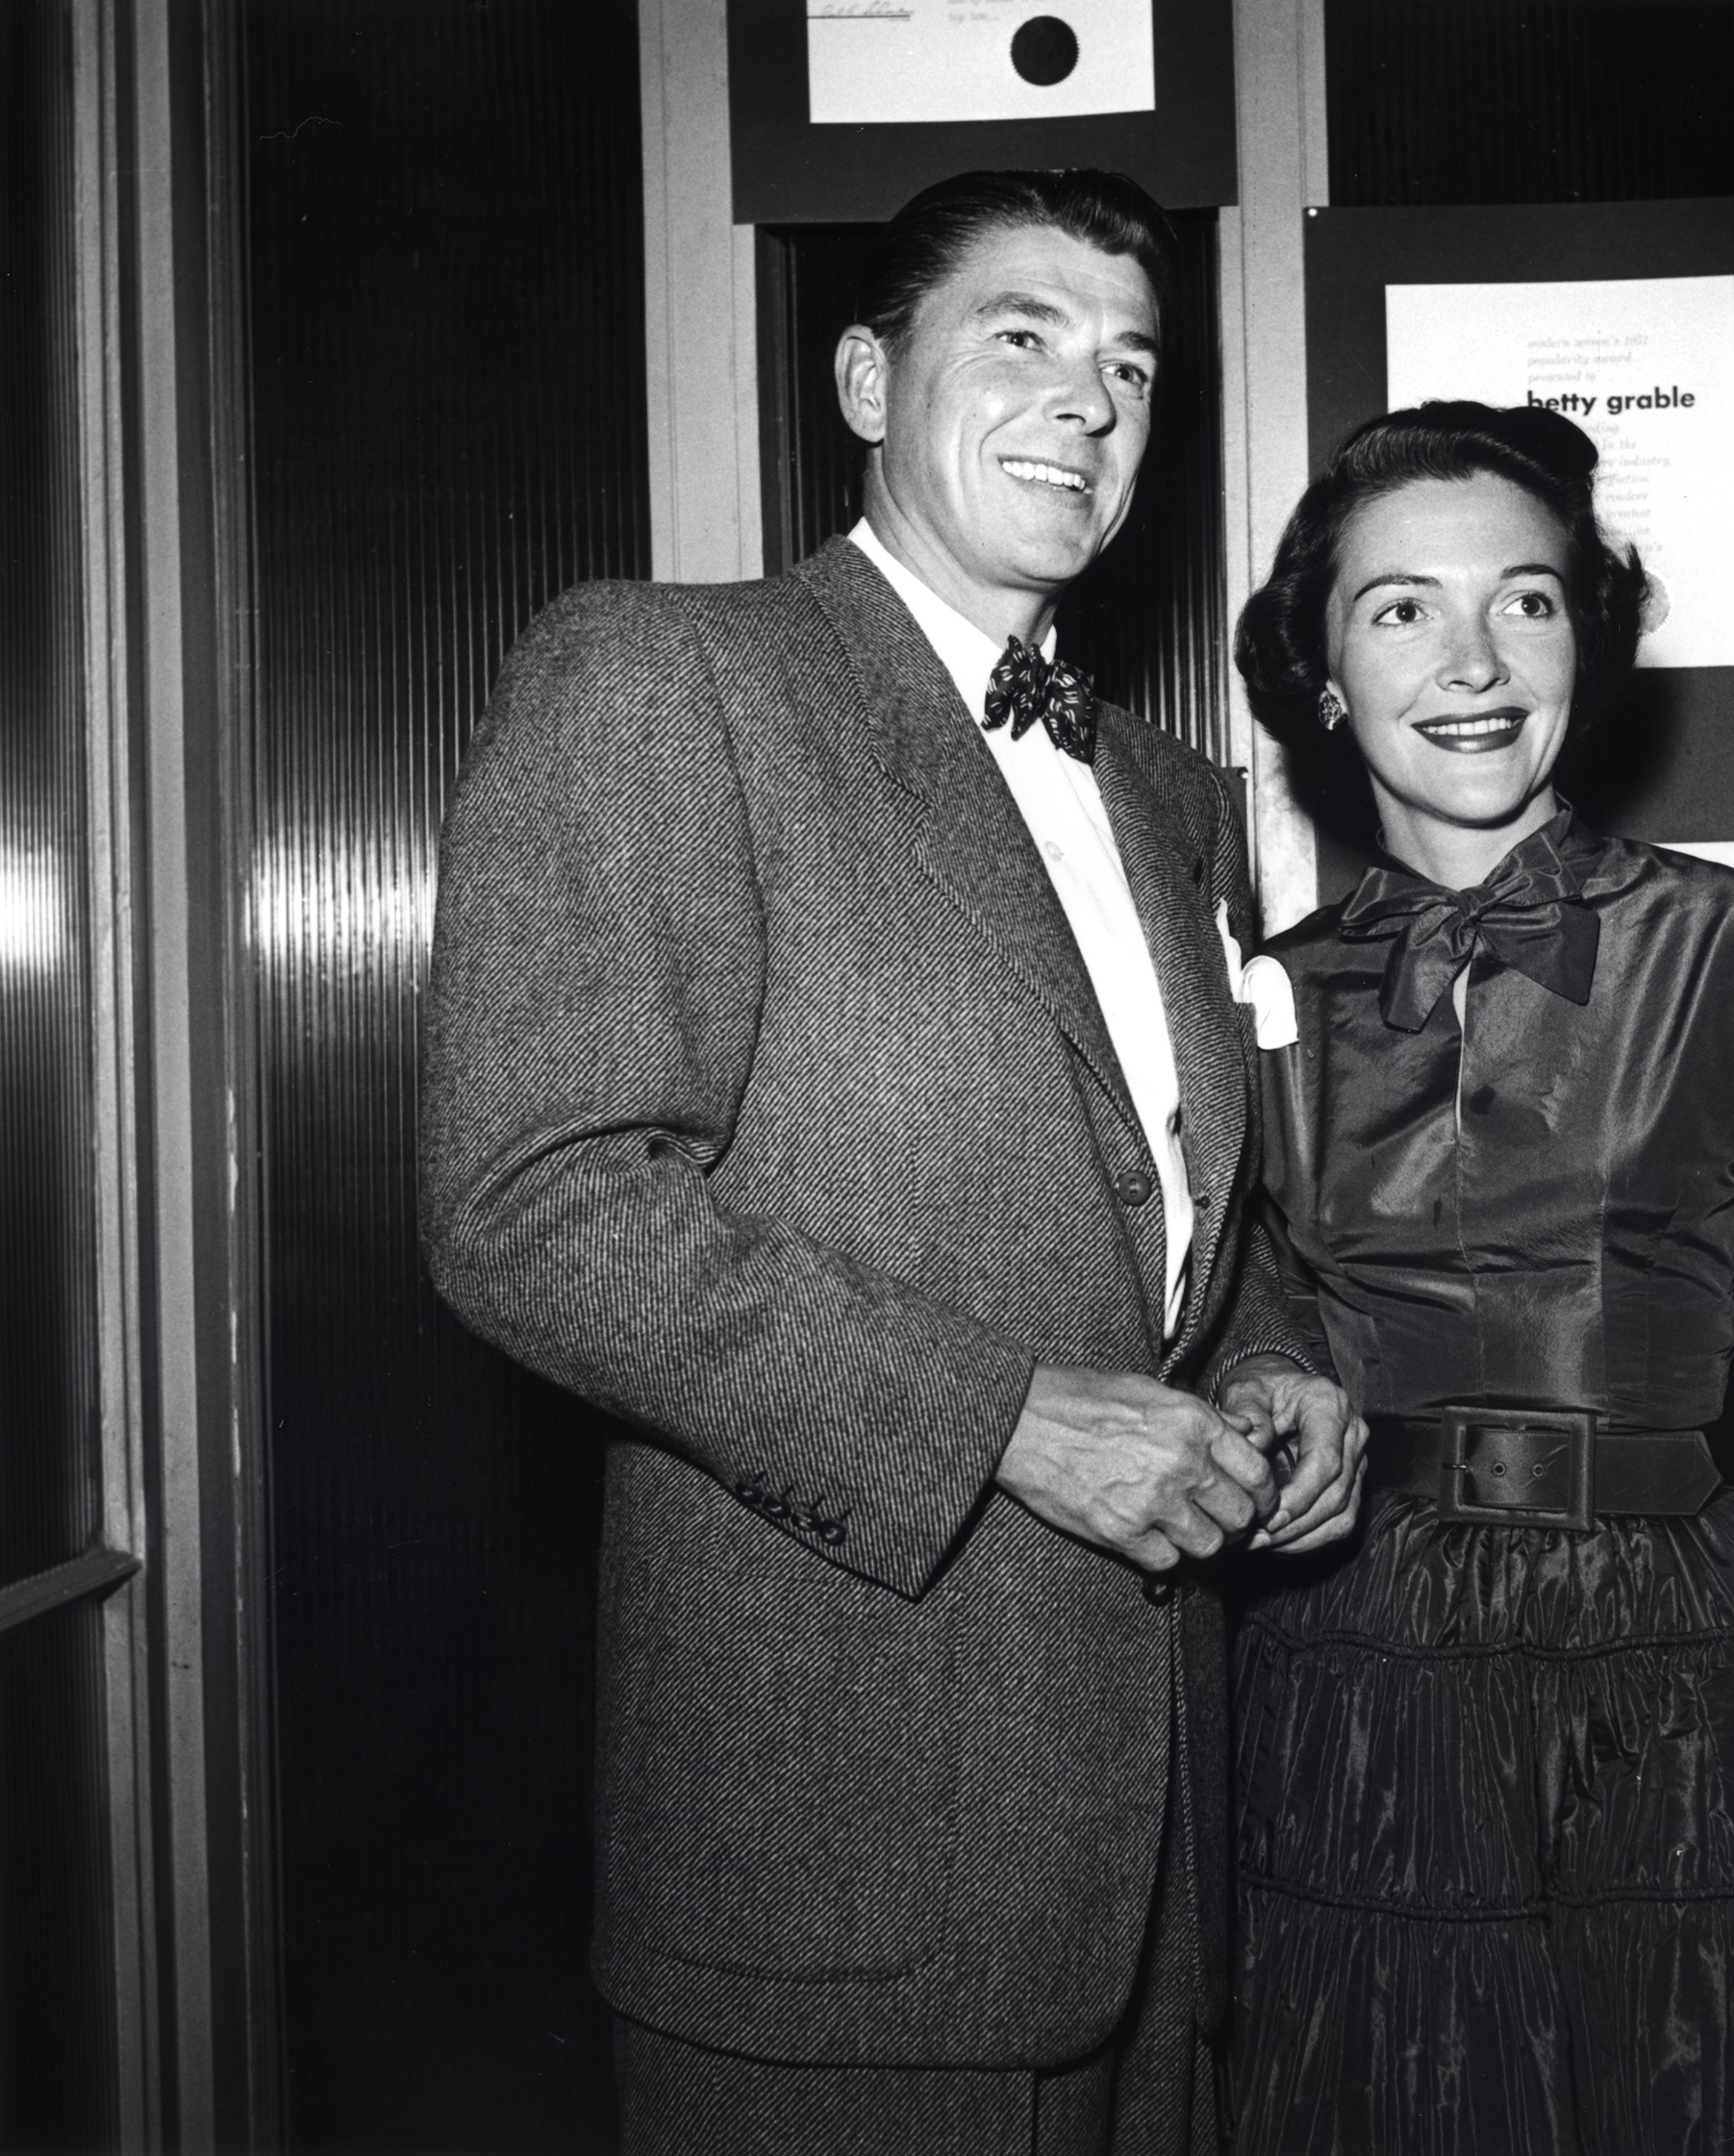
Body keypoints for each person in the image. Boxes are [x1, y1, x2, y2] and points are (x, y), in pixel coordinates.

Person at [418, 168, 1364, 2156]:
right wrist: (1007, 1417)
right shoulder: (669, 679)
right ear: (867, 374)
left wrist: (1278, 1362)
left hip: (1161, 1867)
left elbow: (1196, 1216)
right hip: (832, 1867)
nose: (1086, 404)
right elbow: (535, 1197)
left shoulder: (1171, 789)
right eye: (1019, 337)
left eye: (1130, 365)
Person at [1221, 400, 1734, 2155]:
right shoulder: (1250, 999)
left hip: (1690, 1665)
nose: (1474, 659)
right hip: (1355, 1676)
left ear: (1590, 640)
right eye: (1402, 607)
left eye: (1529, 601)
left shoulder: (1733, 950)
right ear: (1323, 676)